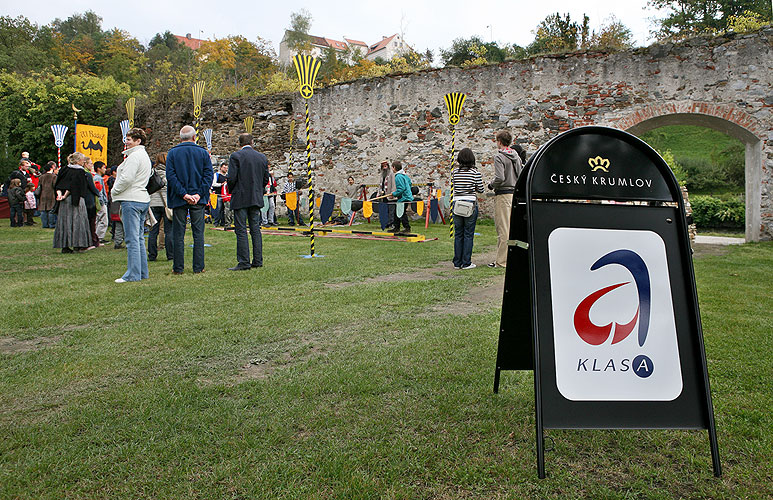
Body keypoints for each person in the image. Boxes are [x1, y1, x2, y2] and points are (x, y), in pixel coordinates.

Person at [166, 125, 214, 275]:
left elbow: (171, 177)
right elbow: (208, 176)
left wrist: (183, 194)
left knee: (178, 233)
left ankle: (178, 267)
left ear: (180, 138)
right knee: (198, 233)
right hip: (197, 199)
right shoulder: (203, 153)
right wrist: (199, 194)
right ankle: (198, 267)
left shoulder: (172, 153)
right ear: (194, 137)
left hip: (180, 198)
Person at [111, 127, 152, 283]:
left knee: (132, 239)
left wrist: (114, 191)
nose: (126, 142)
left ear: (138, 141)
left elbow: (126, 179)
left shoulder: (135, 157)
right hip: (141, 198)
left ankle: (133, 274)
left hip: (132, 199)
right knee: (139, 238)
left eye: (129, 139)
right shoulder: (144, 156)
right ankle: (142, 272)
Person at [227, 133, 270, 270]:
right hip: (256, 197)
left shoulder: (236, 156)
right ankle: (258, 260)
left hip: (240, 196)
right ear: (252, 142)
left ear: (239, 143)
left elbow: (231, 178)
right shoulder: (261, 157)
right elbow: (265, 178)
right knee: (255, 230)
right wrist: (259, 190)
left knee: (241, 230)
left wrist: (232, 189)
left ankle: (244, 262)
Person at [487, 130, 522, 268]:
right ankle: (510, 258)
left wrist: (491, 184)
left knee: (503, 229)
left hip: (503, 194)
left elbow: (500, 178)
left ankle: (502, 261)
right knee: (511, 227)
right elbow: (520, 174)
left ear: (499, 141)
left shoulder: (499, 157)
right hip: (513, 193)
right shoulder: (516, 156)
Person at [53, 152, 97, 253]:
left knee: (65, 222)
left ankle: (65, 245)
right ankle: (78, 244)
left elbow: (58, 184)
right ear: (78, 161)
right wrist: (66, 194)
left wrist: (61, 195)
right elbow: (74, 186)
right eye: (82, 160)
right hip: (76, 199)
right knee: (78, 221)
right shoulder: (80, 172)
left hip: (64, 201)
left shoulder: (64, 169)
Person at [452, 148, 485, 270]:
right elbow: (481, 189)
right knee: (468, 234)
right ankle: (466, 262)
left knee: (458, 233)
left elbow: (454, 186)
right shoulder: (475, 173)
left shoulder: (454, 172)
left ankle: (457, 262)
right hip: (470, 203)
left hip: (457, 203)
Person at [148, 152, 173, 262]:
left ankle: (152, 255)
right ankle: (170, 255)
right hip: (165, 203)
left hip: (153, 203)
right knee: (168, 231)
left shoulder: (151, 172)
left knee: (153, 231)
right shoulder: (168, 173)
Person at [390, 161, 413, 234]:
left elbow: (401, 188)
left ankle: (407, 228)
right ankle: (396, 227)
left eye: (392, 167)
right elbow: (409, 183)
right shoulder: (404, 175)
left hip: (404, 197)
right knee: (397, 213)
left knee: (401, 213)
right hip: (406, 196)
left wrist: (394, 194)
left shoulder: (398, 176)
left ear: (394, 167)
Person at [37, 162, 58, 228]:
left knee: (43, 210)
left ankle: (45, 225)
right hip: (51, 195)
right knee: (51, 210)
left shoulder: (41, 177)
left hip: (43, 195)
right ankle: (51, 224)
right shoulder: (54, 177)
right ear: (51, 168)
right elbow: (55, 186)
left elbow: (39, 186)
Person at [93, 161, 109, 243]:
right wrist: (102, 201)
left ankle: (96, 236)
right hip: (101, 202)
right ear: (99, 169)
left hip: (100, 201)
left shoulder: (98, 178)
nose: (105, 169)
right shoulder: (98, 178)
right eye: (103, 167)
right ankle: (99, 237)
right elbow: (99, 191)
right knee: (103, 220)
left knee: (98, 220)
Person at [378, 160, 396, 229]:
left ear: (388, 166)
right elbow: (380, 185)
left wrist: (392, 193)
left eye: (385, 166)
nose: (384, 168)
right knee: (385, 210)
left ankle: (391, 223)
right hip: (383, 195)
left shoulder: (391, 174)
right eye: (383, 166)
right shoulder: (382, 175)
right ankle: (386, 223)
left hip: (389, 195)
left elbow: (393, 184)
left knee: (391, 210)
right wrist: (379, 193)